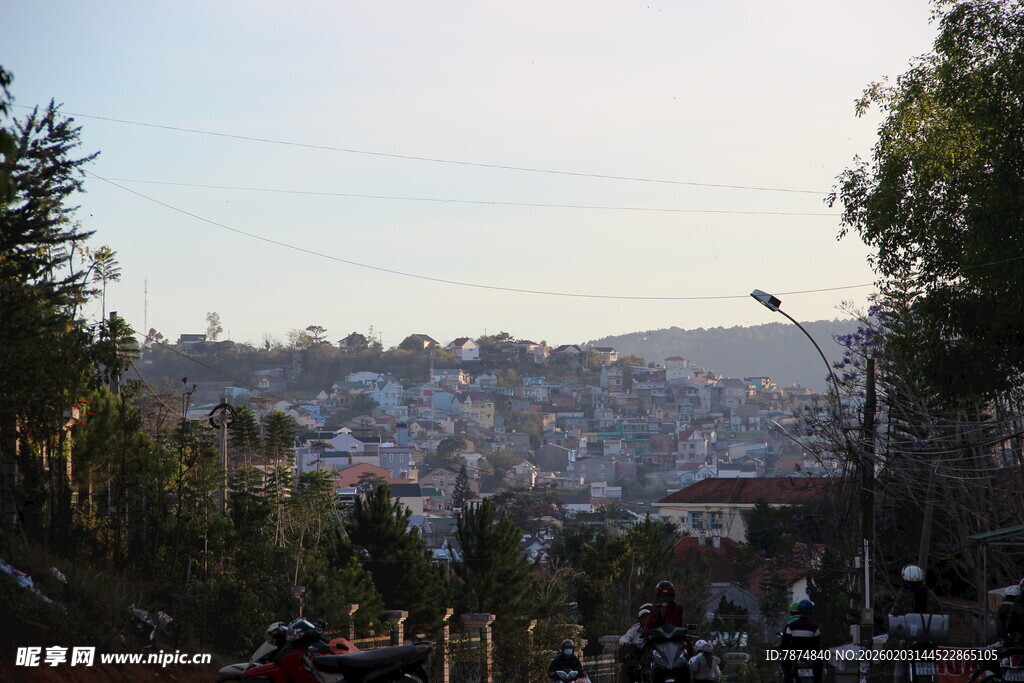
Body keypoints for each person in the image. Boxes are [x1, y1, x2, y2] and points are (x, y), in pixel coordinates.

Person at [781, 599, 822, 683]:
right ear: (810, 611)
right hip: (810, 656)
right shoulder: (814, 627)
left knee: (786, 667)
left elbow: (786, 643)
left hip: (794, 656)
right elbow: (817, 644)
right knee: (819, 666)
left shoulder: (791, 626)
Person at [618, 604, 652, 683]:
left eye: (647, 618)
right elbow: (624, 638)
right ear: (640, 620)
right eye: (643, 618)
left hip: (652, 658)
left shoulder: (655, 629)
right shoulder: (634, 630)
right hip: (637, 657)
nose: (645, 620)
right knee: (627, 669)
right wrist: (628, 643)